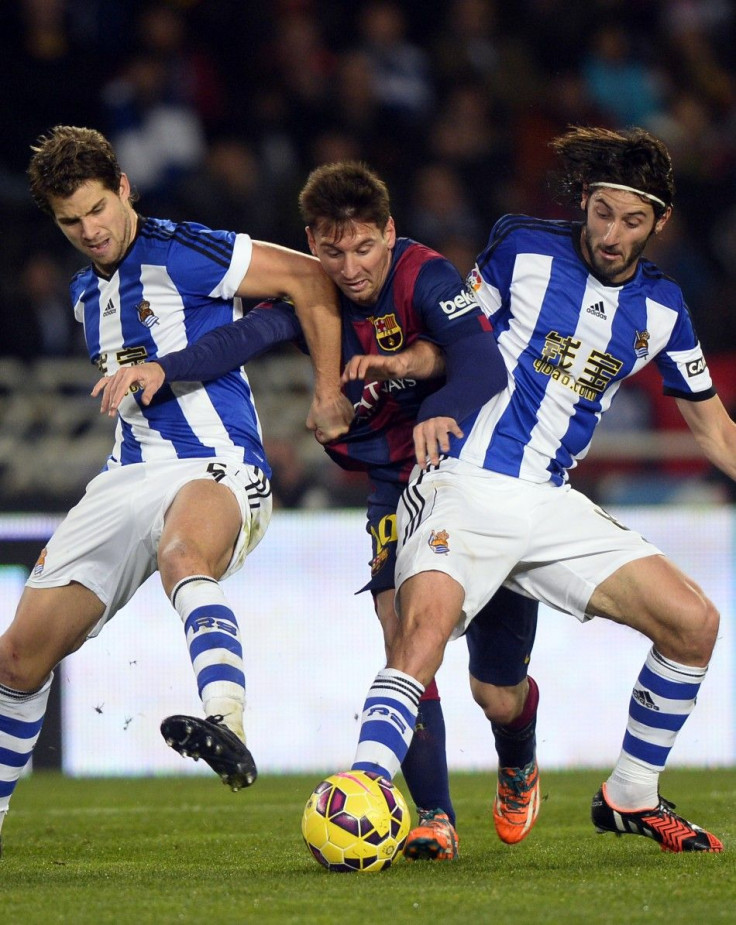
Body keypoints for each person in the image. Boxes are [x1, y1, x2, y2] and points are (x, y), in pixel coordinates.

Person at [93, 161, 542, 860]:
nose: (351, 266)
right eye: (333, 251)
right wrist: (165, 368)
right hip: (396, 487)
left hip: (475, 474)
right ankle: (437, 817)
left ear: (390, 232)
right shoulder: (317, 295)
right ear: (313, 243)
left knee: (498, 689)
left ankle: (517, 752)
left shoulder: (424, 275)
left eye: (365, 247)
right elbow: (241, 340)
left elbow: (484, 365)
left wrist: (442, 410)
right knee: (403, 645)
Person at [346, 126, 729, 853]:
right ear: (585, 201)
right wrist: (413, 372)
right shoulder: (520, 246)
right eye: (604, 212)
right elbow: (456, 338)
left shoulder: (665, 310)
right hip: (461, 479)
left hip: (550, 503)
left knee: (692, 624)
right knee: (418, 640)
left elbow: (716, 432)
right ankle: (363, 787)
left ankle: (629, 794)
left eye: (633, 220)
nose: (613, 234)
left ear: (661, 224)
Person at [0, 125, 353, 857]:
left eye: (98, 208)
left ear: (124, 187)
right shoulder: (80, 295)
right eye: (71, 221)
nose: (90, 230)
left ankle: (224, 716)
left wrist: (325, 394)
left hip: (216, 459)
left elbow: (310, 279)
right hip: (124, 475)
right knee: (15, 661)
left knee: (182, 551)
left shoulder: (187, 248)